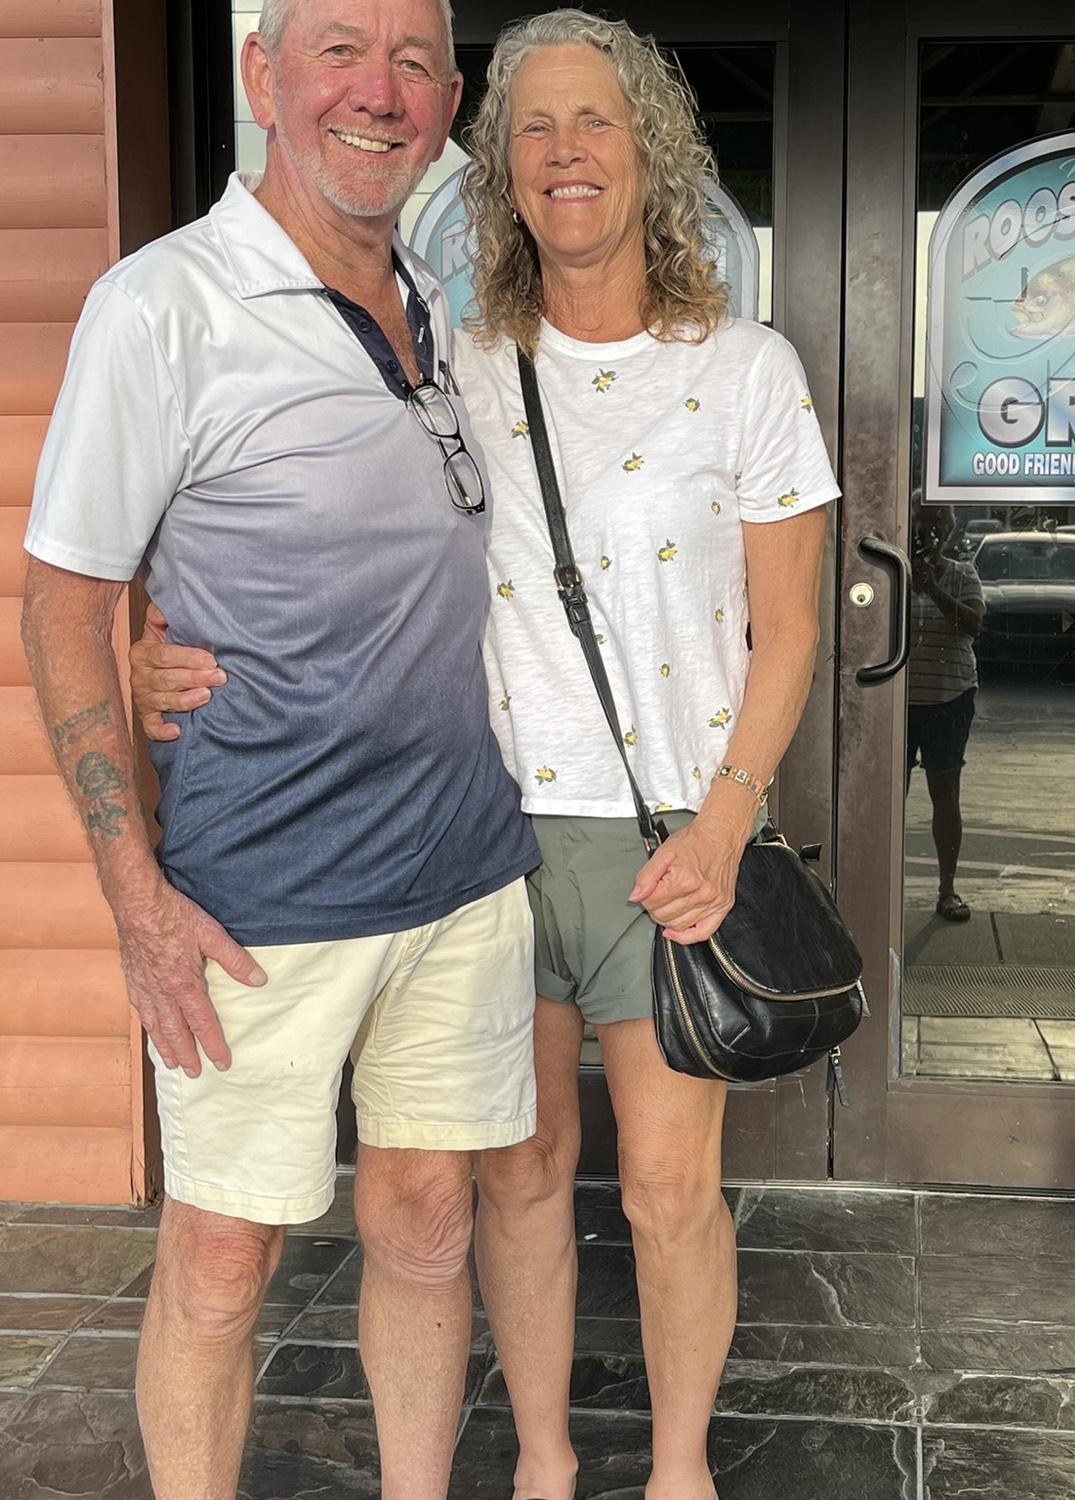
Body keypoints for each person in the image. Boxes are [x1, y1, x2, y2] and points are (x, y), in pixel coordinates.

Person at [133, 11, 837, 1497]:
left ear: (650, 152)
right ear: (502, 170)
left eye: (596, 123)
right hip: (487, 837)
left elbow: (788, 634)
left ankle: (684, 1471)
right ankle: (543, 1463)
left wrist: (726, 822)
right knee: (516, 1177)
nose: (566, 153)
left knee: (667, 1190)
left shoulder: (749, 371)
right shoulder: (451, 359)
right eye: (534, 129)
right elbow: (313, 531)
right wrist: (151, 640)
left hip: (667, 838)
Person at [22, 4, 540, 1498]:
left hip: (464, 874)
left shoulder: (436, 296)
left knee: (429, 1222)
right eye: (338, 52)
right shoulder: (162, 303)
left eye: (413, 63)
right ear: (262, 75)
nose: (377, 92)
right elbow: (63, 600)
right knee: (220, 1261)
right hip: (257, 900)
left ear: (448, 99)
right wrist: (134, 895)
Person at [906, 500, 985, 922]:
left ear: (949, 530)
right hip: (895, 702)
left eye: (937, 522)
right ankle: (876, 885)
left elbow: (974, 625)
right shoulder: (894, 571)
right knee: (887, 795)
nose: (929, 531)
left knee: (945, 793)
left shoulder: (962, 573)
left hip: (949, 698)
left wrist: (934, 589)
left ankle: (947, 889)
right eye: (922, 521)